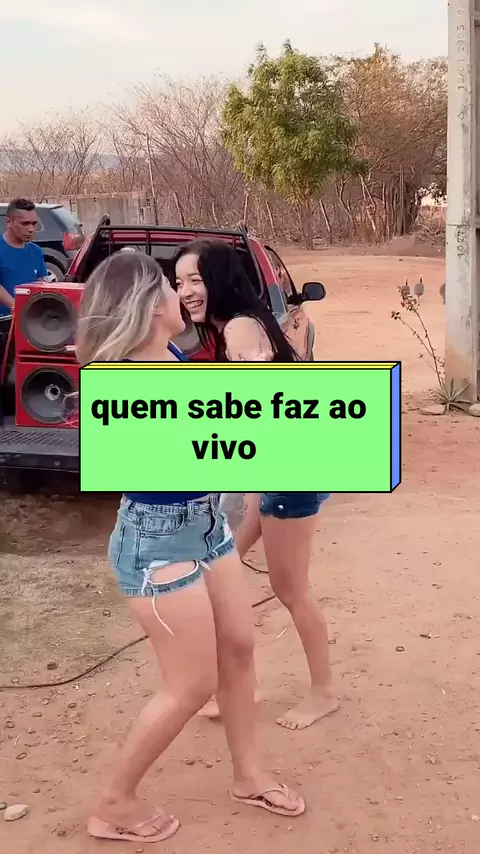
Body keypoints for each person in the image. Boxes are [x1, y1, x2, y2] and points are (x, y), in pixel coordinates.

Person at [75, 250, 305, 845]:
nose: (181, 294)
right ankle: (114, 802)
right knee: (192, 684)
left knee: (239, 649)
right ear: (151, 306)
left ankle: (248, 775)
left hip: (205, 526)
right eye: (170, 286)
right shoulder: (128, 381)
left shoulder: (172, 359)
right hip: (157, 541)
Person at [174, 239, 338, 731]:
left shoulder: (239, 327)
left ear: (219, 280)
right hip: (270, 472)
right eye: (179, 282)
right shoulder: (234, 324)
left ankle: (323, 693)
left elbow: (262, 408)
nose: (185, 291)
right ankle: (241, 685)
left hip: (290, 474)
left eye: (195, 280)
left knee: (291, 590)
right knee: (220, 574)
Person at [0, 198, 49, 316]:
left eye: (34, 223)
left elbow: (40, 283)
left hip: (30, 320)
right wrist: (16, 308)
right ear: (9, 222)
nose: (31, 229)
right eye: (25, 223)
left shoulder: (36, 251)